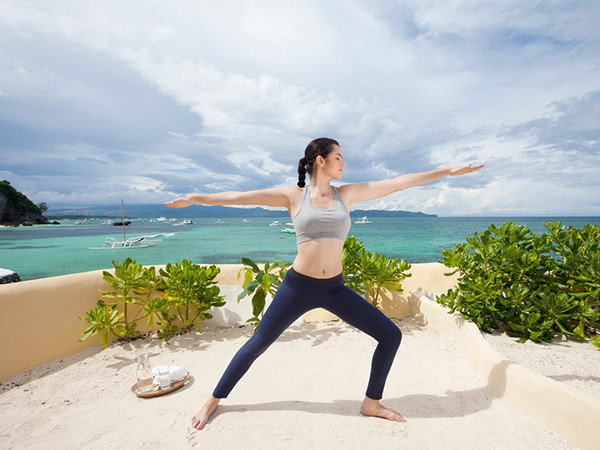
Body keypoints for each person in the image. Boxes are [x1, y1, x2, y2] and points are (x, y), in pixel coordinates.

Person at [164, 137, 483, 430]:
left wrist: (446, 172)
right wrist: (195, 198)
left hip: (334, 288)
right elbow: (239, 198)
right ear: (320, 160)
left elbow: (398, 182)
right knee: (257, 344)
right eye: (339, 157)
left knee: (390, 335)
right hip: (297, 286)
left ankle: (371, 403)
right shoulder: (293, 195)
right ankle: (212, 401)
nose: (344, 164)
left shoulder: (348, 194)